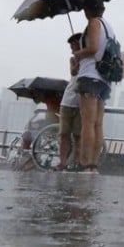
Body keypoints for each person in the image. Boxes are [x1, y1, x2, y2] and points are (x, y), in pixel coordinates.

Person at [72, 0, 115, 173]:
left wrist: (77, 53)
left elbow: (93, 49)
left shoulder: (94, 23)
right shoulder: (109, 27)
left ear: (86, 10)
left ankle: (84, 163)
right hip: (104, 79)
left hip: (90, 76)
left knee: (87, 122)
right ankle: (93, 165)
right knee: (97, 123)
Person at [54, 33, 83, 172]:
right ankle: (63, 163)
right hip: (67, 101)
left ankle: (77, 163)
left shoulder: (90, 60)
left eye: (73, 46)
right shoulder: (73, 59)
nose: (72, 50)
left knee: (78, 135)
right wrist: (78, 59)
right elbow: (73, 72)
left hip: (81, 103)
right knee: (64, 134)